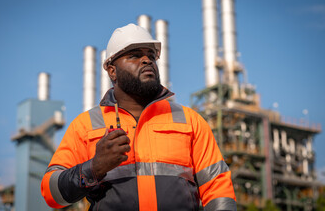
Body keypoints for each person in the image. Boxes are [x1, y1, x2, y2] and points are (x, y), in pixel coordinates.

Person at [41, 23, 237, 211]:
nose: (146, 60)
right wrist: (93, 168)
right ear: (112, 70)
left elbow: (217, 187)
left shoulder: (189, 121)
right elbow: (51, 193)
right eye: (135, 56)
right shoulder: (85, 125)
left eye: (151, 55)